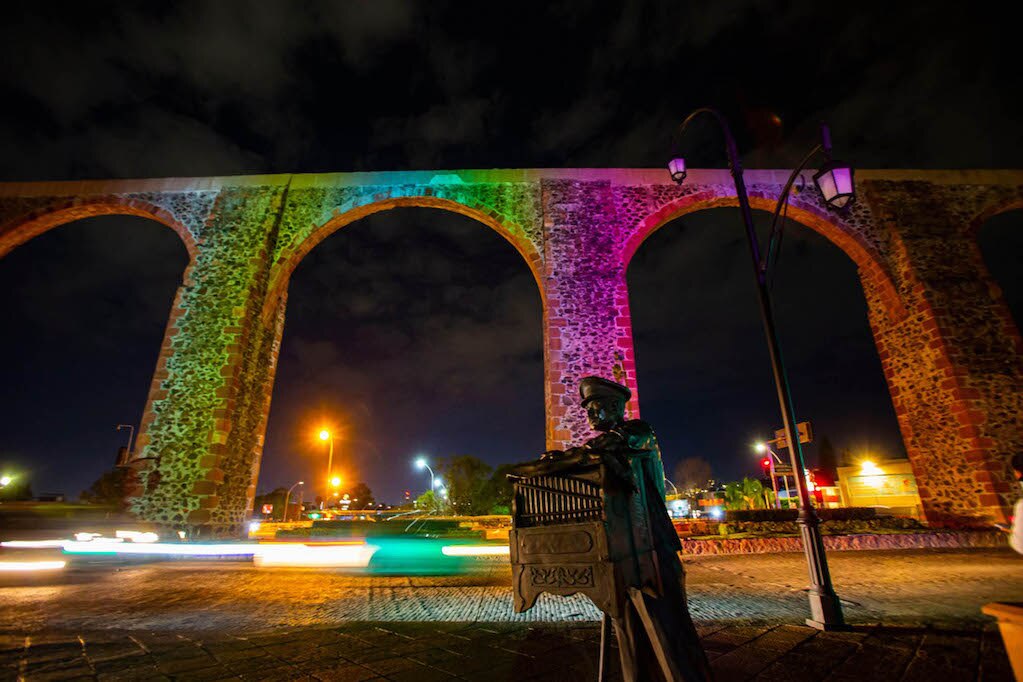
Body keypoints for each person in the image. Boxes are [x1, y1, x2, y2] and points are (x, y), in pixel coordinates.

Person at [541, 376, 712, 681]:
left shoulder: (638, 432)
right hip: (623, 549)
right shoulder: (606, 445)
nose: (589, 416)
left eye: (594, 408)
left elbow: (607, 446)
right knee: (630, 632)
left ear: (615, 406)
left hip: (652, 549)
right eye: (588, 410)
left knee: (667, 629)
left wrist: (568, 458)